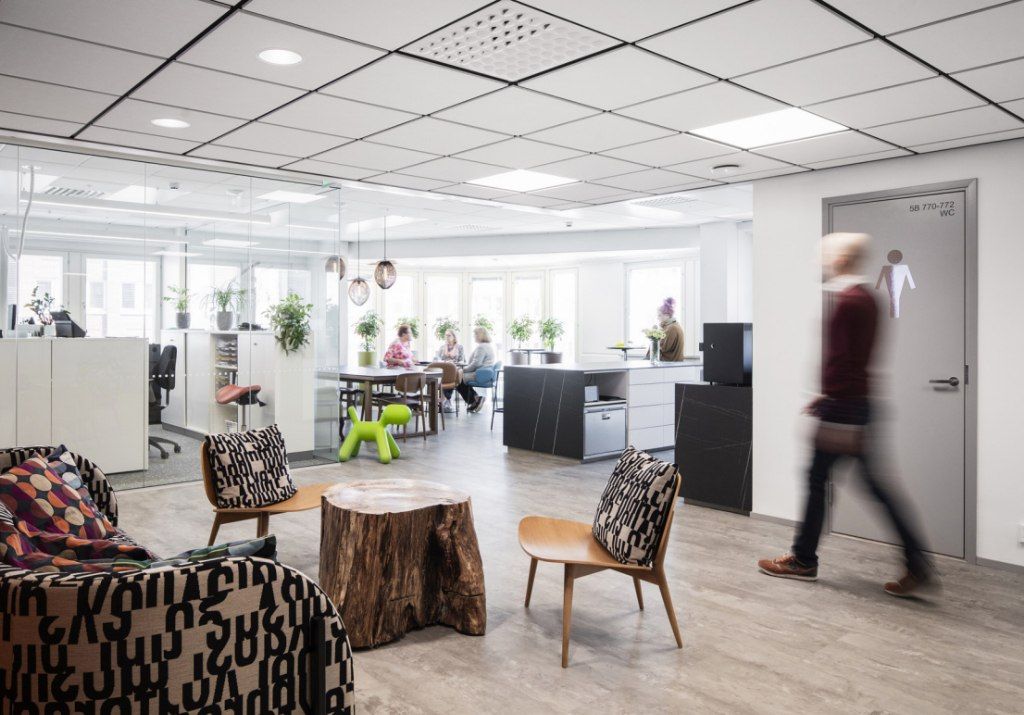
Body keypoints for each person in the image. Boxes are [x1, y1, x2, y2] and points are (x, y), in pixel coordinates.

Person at [757, 232, 934, 598]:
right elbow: (854, 359)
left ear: (840, 260)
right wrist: (829, 396)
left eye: (825, 256)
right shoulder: (867, 298)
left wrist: (832, 402)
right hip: (856, 403)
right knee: (871, 486)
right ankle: (917, 563)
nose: (821, 261)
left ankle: (803, 560)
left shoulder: (848, 302)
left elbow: (841, 361)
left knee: (817, 480)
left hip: (845, 408)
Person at [456, 327, 495, 413]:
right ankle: (476, 399)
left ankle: (475, 400)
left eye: (475, 334)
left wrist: (463, 370)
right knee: (461, 379)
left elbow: (476, 364)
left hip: (479, 374)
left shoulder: (481, 347)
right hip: (484, 373)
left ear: (480, 335)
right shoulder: (488, 346)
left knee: (457, 380)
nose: (474, 336)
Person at [435, 329, 465, 412]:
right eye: (446, 335)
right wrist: (445, 362)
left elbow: (462, 360)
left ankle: (446, 400)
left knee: (449, 375)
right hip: (444, 369)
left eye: (449, 335)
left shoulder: (460, 347)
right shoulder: (442, 347)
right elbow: (438, 359)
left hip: (455, 369)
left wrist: (454, 362)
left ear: (454, 337)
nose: (447, 337)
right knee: (445, 374)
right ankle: (446, 400)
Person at [656, 297, 685, 361]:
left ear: (667, 315)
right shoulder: (674, 325)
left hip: (671, 363)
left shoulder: (672, 328)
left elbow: (663, 348)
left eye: (659, 315)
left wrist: (655, 338)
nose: (658, 318)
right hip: (672, 362)